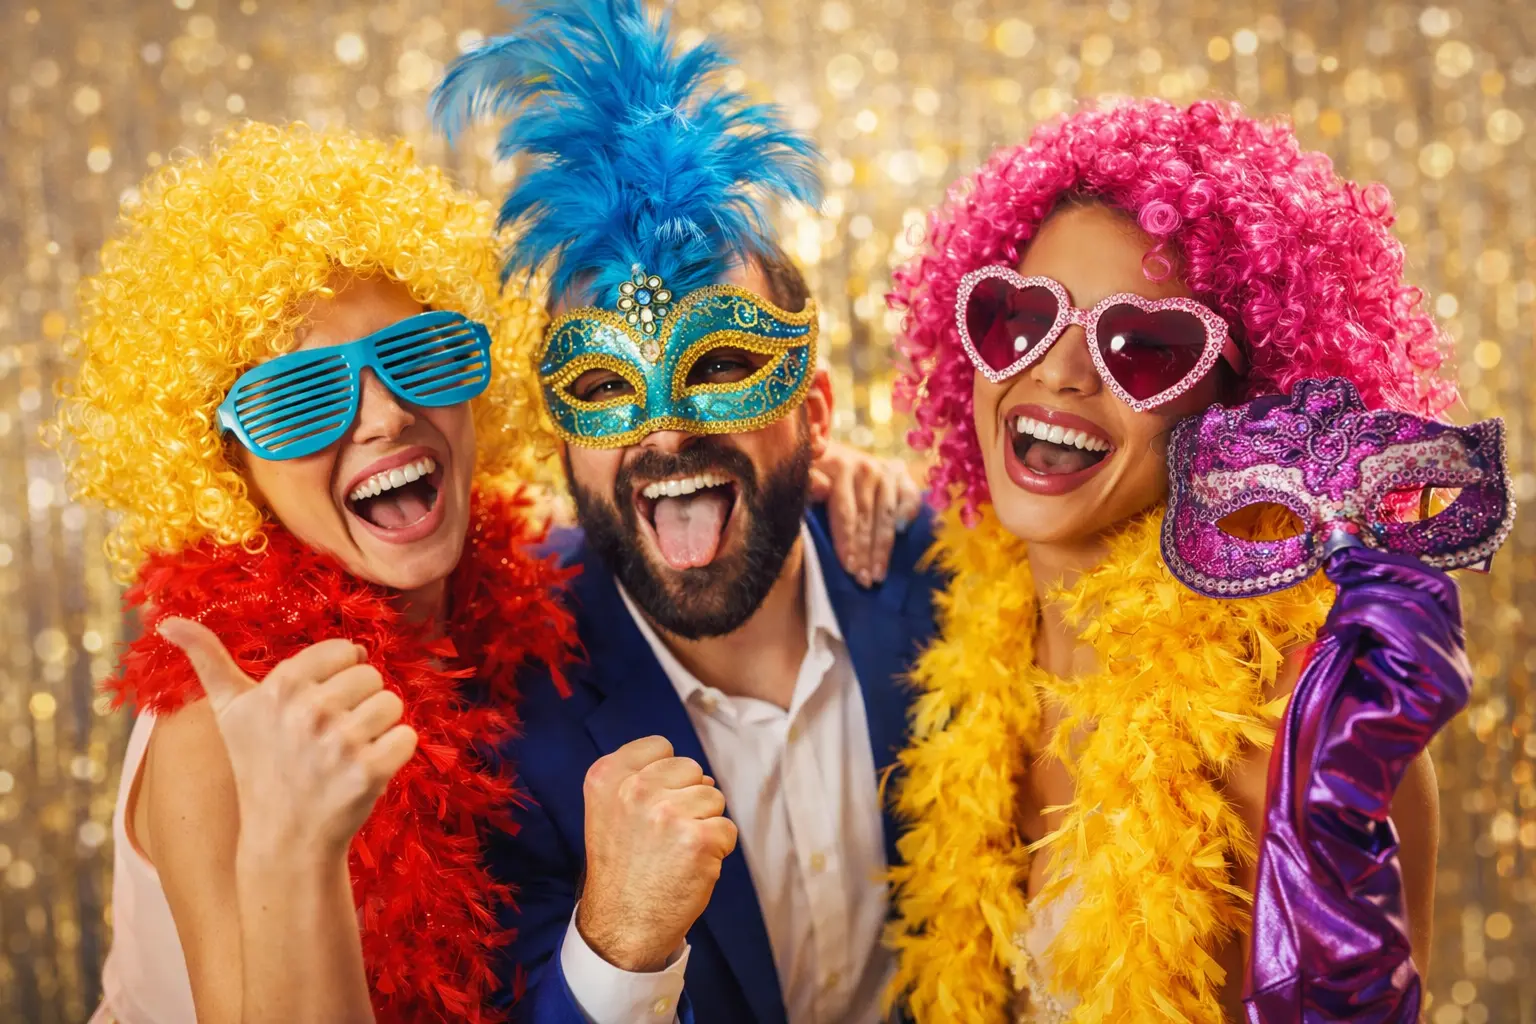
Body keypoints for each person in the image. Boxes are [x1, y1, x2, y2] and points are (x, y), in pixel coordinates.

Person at [883, 99, 1450, 1023]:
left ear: (1241, 404)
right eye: (1019, 318)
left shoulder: (1307, 730)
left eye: (1143, 347)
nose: (1060, 374)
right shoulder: (952, 619)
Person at [432, 3, 938, 1022]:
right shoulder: (499, 702)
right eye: (605, 387)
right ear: (564, 439)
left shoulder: (946, 584)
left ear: (817, 413)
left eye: (720, 365)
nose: (663, 433)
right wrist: (617, 939)